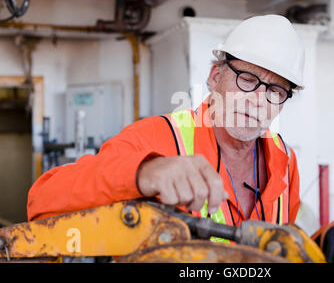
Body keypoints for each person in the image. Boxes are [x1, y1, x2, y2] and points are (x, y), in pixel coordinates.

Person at [27, 15, 305, 228]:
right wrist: (143, 173)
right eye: (246, 79)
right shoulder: (152, 139)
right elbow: (42, 200)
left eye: (275, 91)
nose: (258, 100)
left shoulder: (285, 161)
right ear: (215, 77)